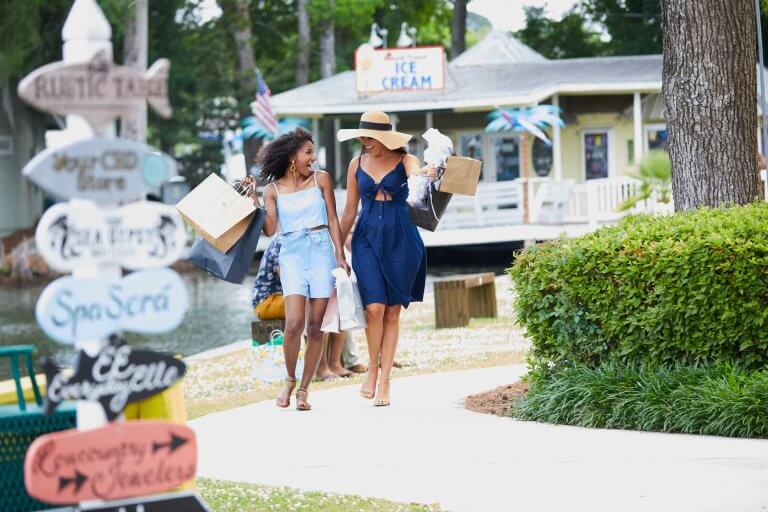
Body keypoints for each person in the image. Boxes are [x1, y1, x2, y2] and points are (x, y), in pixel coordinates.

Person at [243, 127, 349, 411]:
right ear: (292, 156)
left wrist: (340, 255)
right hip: (292, 254)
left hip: (322, 253)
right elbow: (268, 229)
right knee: (293, 325)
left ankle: (304, 390)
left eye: (313, 152)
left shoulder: (321, 180)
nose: (313, 158)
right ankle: (289, 379)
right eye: (308, 152)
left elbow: (333, 219)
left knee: (316, 328)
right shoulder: (273, 189)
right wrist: (254, 201)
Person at [338, 111, 436, 406]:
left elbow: (417, 176)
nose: (365, 142)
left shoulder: (406, 160)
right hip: (366, 238)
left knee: (392, 311)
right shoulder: (356, 164)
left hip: (401, 239)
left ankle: (385, 380)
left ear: (383, 137)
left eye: (369, 137)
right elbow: (348, 210)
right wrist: (336, 250)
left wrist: (425, 174)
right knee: (374, 308)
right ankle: (371, 366)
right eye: (362, 138)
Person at [251, 237, 284, 320]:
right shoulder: (282, 240)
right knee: (314, 307)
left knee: (317, 305)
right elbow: (286, 279)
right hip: (266, 302)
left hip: (282, 298)